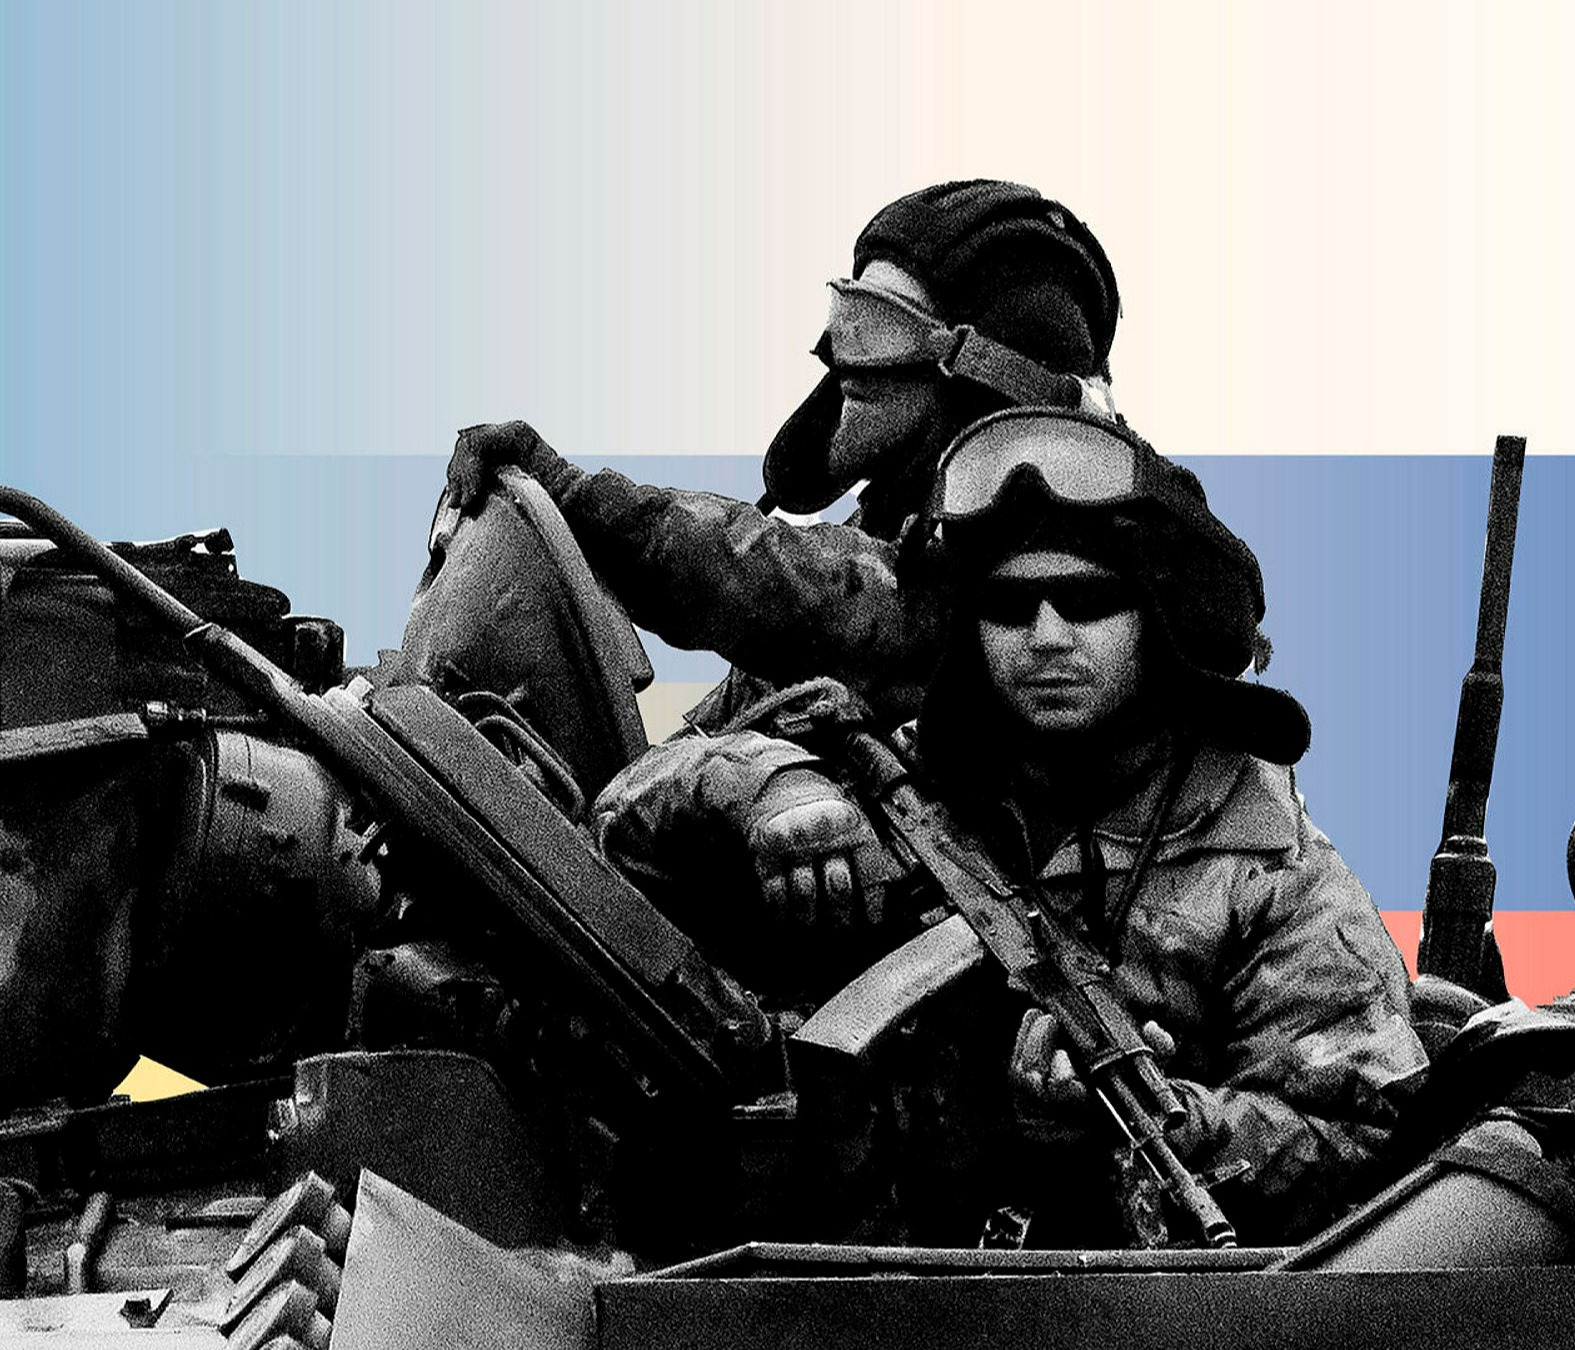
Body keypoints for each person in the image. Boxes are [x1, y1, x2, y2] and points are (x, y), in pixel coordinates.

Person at [592, 409, 1426, 1247]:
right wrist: (765, 787)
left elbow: (1368, 1145)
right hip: (848, 1281)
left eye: (1089, 602)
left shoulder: (1270, 871)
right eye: (1009, 605)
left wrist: (1161, 1122)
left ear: (1158, 619)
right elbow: (614, 830)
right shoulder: (904, 783)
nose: (1046, 637)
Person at [447, 179, 1121, 731]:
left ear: (982, 377)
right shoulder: (881, 538)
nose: (844, 362)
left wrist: (573, 493)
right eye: (847, 317)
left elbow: (782, 583)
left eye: (879, 328)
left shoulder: (1012, 582)